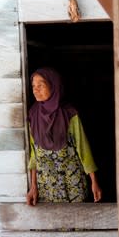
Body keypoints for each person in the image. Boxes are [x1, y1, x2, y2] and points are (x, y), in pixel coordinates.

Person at [26, 67, 102, 205]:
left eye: (40, 85)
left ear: (54, 86)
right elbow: (34, 155)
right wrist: (33, 187)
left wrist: (94, 182)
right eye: (33, 86)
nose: (35, 90)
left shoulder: (69, 114)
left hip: (73, 185)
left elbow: (83, 149)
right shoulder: (32, 115)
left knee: (76, 223)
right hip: (46, 187)